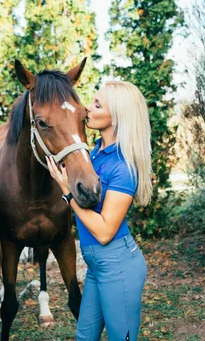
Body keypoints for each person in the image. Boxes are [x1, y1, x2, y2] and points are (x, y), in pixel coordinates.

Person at [46, 80, 151, 341]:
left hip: (118, 265)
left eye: (97, 104)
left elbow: (104, 232)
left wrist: (67, 193)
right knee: (85, 337)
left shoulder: (123, 166)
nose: (87, 108)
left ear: (116, 116)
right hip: (96, 264)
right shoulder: (94, 153)